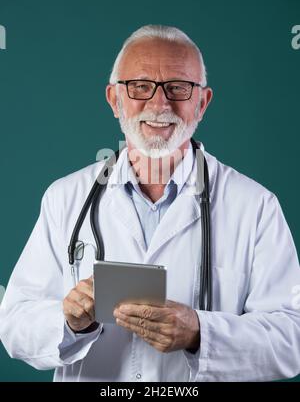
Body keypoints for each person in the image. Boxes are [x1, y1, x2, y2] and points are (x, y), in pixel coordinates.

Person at [0, 25, 300, 382]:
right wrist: (68, 322)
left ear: (202, 103)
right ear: (114, 99)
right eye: (141, 86)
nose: (160, 104)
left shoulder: (256, 206)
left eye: (178, 87)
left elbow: (291, 338)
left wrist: (201, 333)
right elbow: (15, 324)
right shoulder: (65, 197)